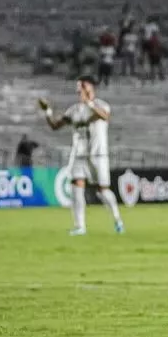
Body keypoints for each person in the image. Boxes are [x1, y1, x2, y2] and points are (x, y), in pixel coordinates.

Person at [39, 75, 123, 235]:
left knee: (102, 191)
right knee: (76, 187)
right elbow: (55, 126)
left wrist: (89, 103)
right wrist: (48, 111)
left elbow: (104, 116)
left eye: (83, 85)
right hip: (79, 155)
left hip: (98, 154)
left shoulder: (101, 105)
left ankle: (117, 219)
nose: (80, 89)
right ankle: (80, 226)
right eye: (79, 86)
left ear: (91, 87)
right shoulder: (74, 110)